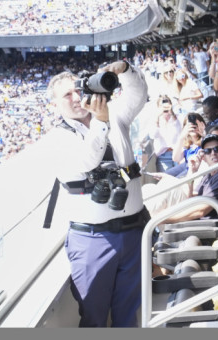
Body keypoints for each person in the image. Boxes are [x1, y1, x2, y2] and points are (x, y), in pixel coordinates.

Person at [45, 59, 149, 327]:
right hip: (92, 239)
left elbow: (138, 94)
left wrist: (124, 69)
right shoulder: (57, 139)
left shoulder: (115, 116)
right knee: (94, 317)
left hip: (134, 231)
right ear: (55, 104)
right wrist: (100, 122)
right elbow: (86, 161)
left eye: (78, 89)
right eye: (66, 95)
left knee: (129, 313)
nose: (76, 97)